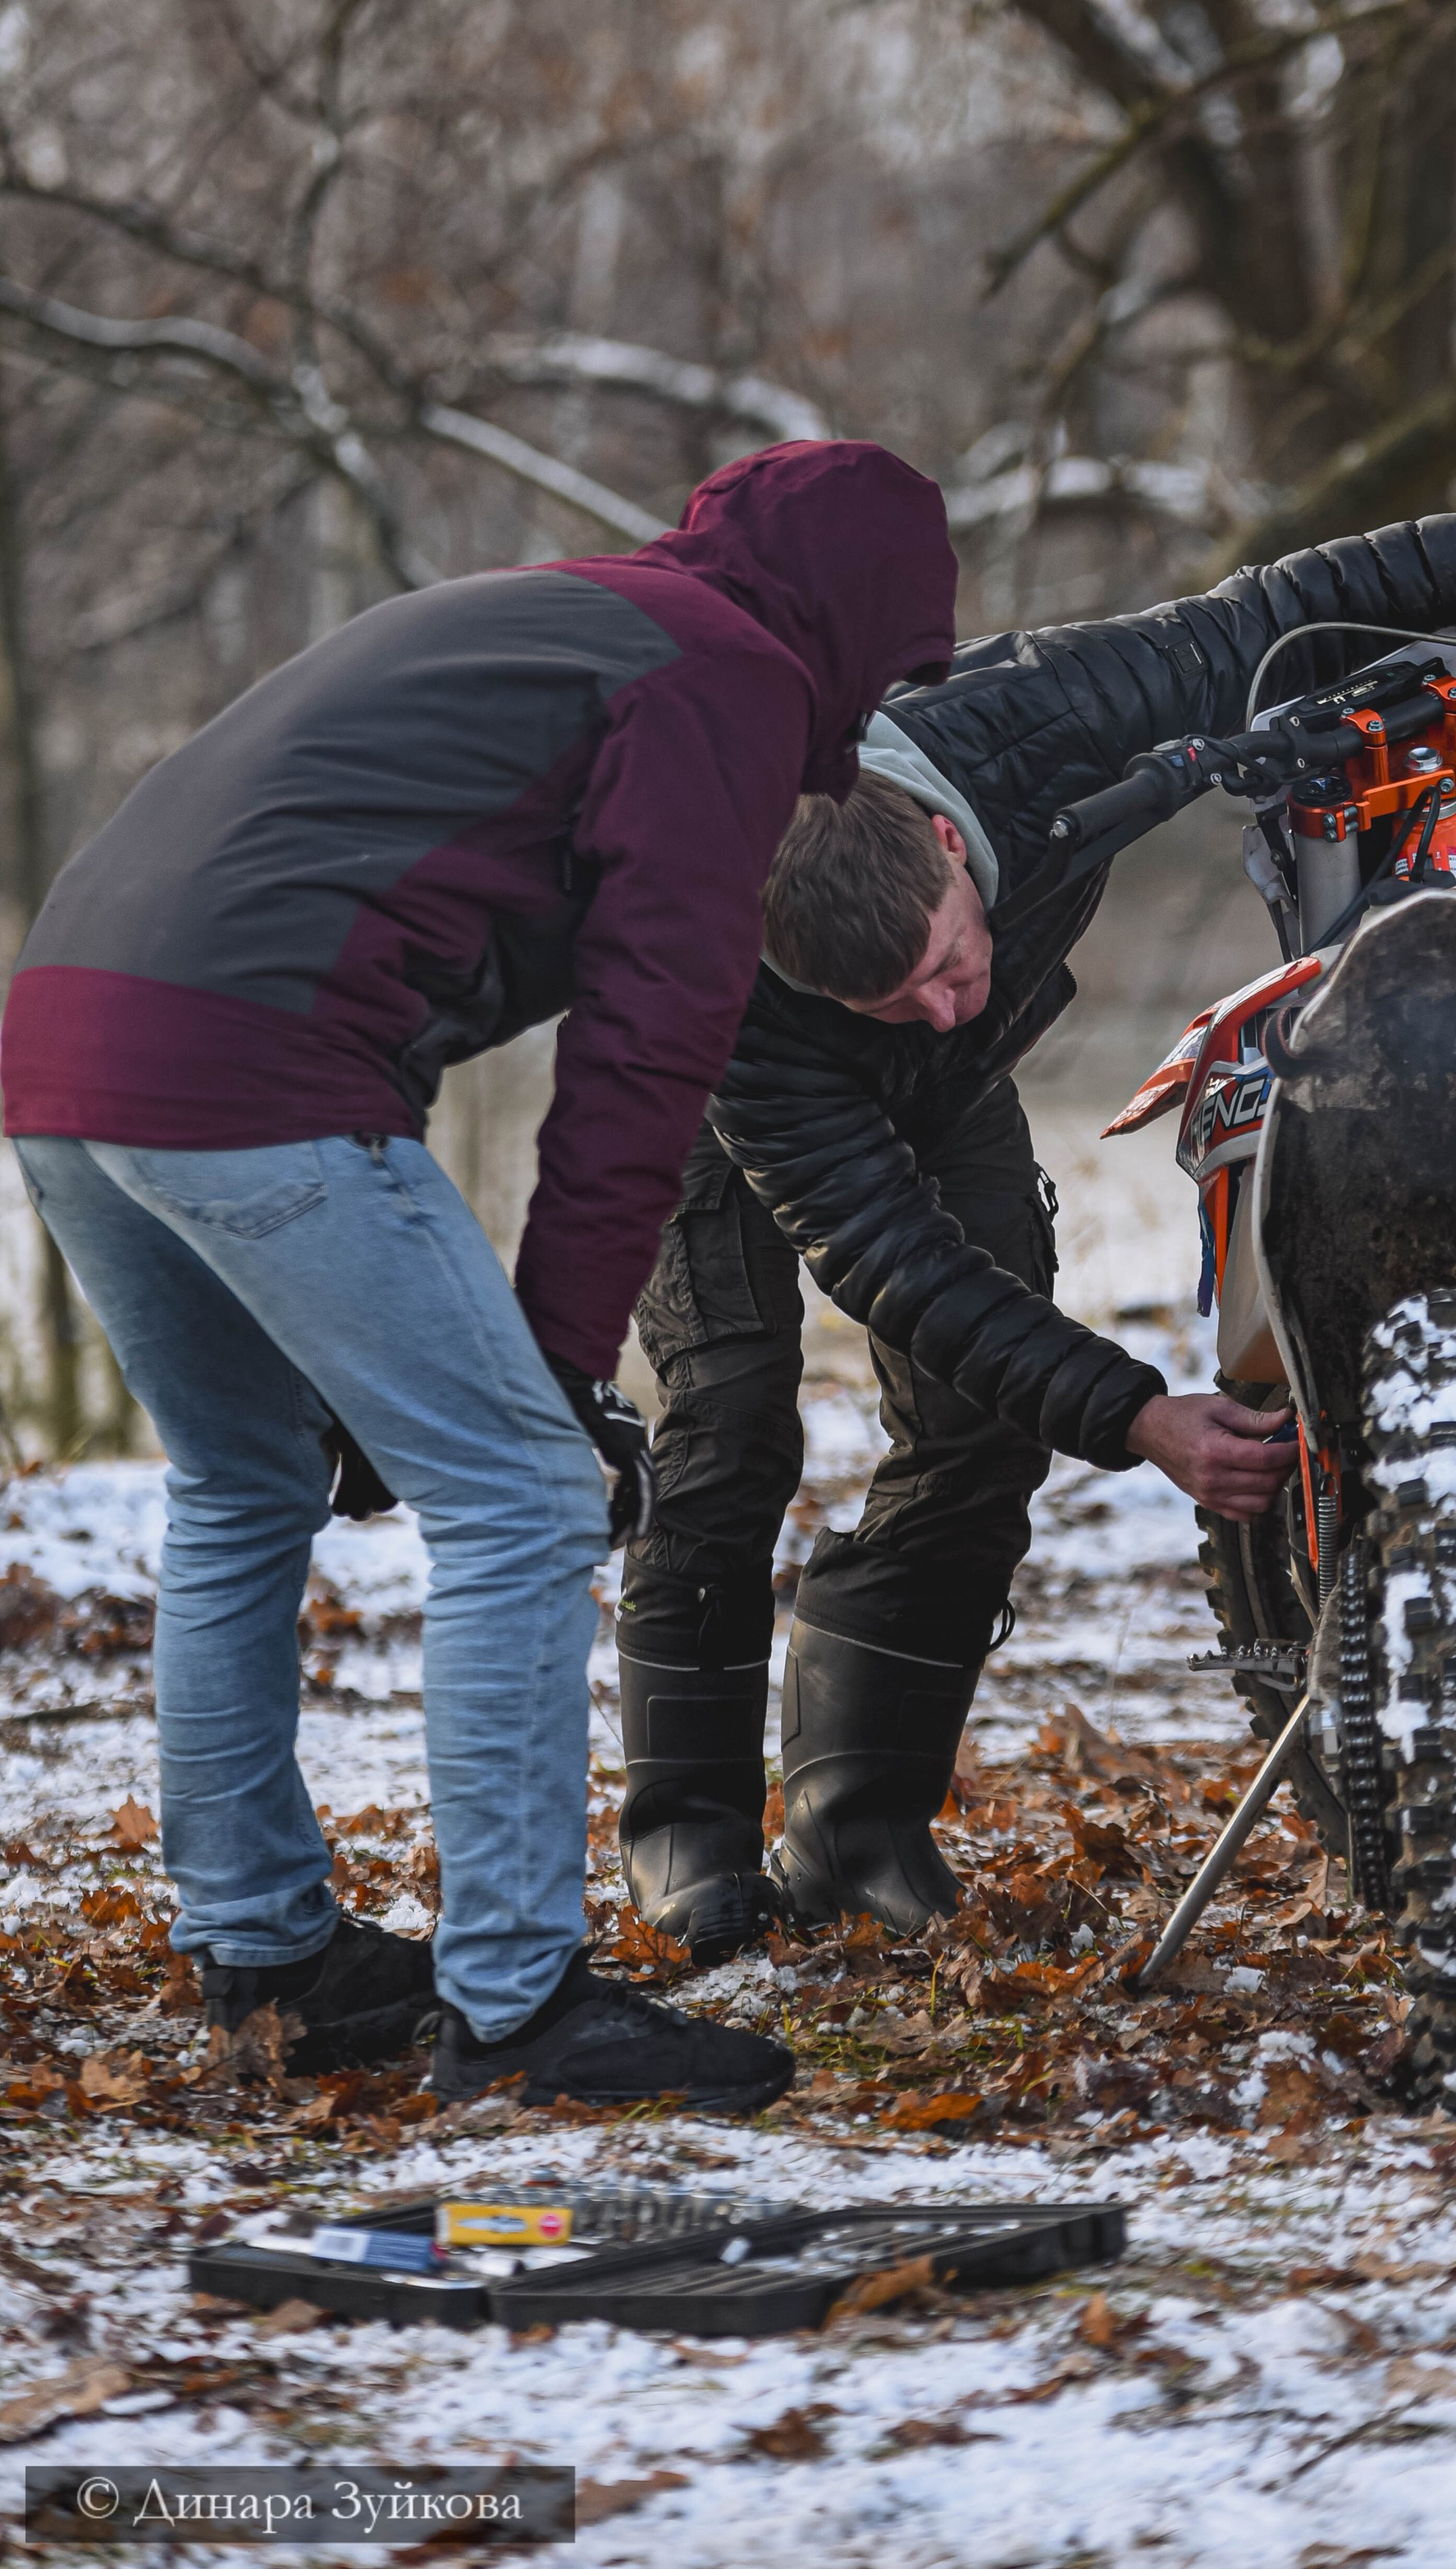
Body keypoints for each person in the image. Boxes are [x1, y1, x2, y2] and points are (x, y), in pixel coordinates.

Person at [616, 482, 1456, 1959]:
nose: (951, 1003)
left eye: (952, 967)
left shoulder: (1031, 719)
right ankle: (687, 1842)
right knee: (731, 1422)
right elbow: (886, 1262)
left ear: (954, 854)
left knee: (979, 1425)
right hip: (679, 1082)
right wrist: (1140, 1414)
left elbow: (1275, 611)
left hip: (932, 1099)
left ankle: (857, 1831)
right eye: (894, 1001)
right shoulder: (741, 991)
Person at [2, 441, 956, 2110]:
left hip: (67, 1039)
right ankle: (518, 2012)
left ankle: (265, 1953)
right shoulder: (723, 680)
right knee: (522, 1493)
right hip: (253, 1062)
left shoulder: (570, 617)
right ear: (865, 618)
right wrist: (563, 1377)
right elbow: (642, 1060)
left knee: (242, 1477)